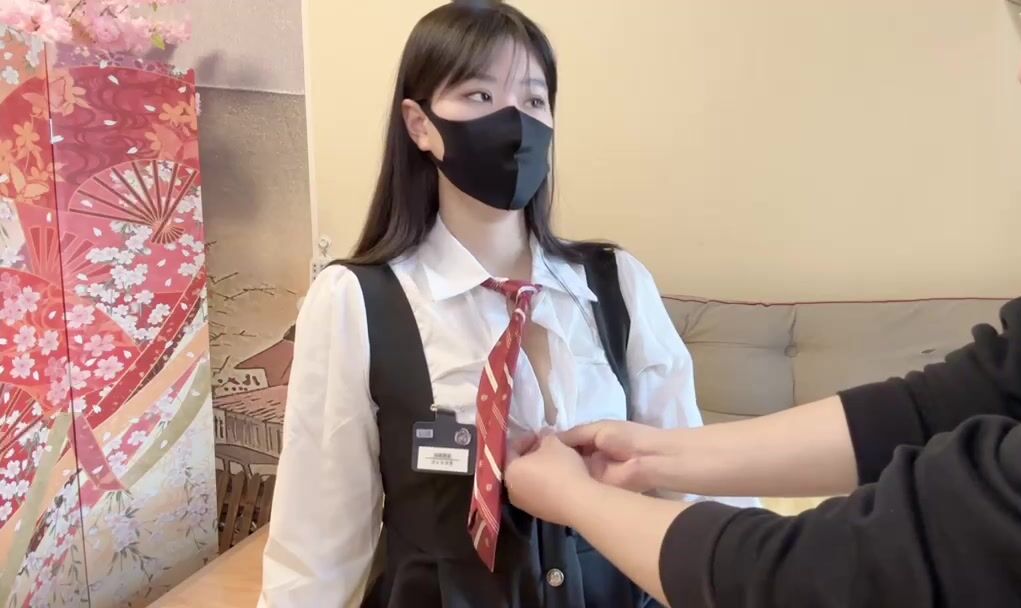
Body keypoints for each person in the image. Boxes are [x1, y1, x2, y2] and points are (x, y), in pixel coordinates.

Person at [503, 0, 1021, 606]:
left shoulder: (613, 278)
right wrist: (653, 455)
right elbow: (967, 396)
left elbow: (840, 573)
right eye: (478, 95)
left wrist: (579, 500)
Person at [258, 2, 752, 607]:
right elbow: (316, 543)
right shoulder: (354, 301)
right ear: (419, 125)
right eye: (480, 95)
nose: (515, 120)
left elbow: (688, 476)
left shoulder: (617, 283)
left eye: (534, 99)